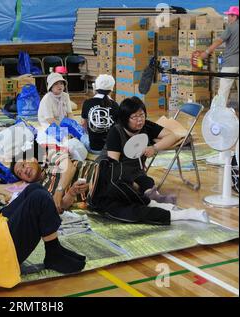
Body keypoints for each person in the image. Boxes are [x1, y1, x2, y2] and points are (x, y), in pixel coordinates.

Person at [80, 97, 209, 225]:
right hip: (112, 175)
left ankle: (156, 202)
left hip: (132, 173)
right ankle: (160, 205)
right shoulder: (116, 131)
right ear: (125, 118)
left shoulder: (146, 126)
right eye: (134, 117)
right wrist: (130, 183)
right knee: (129, 209)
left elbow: (171, 135)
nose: (140, 120)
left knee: (145, 184)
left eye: (142, 115)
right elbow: (114, 167)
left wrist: (154, 147)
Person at [200, 6, 239, 105]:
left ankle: (219, 113)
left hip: (230, 63)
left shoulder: (231, 27)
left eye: (229, 15)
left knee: (223, 90)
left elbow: (219, 41)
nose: (228, 18)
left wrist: (206, 52)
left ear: (234, 16)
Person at [81, 74, 119, 153]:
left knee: (81, 135)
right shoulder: (115, 105)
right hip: (111, 149)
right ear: (112, 89)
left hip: (94, 148)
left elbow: (84, 124)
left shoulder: (87, 103)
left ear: (95, 87)